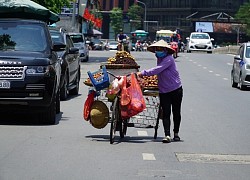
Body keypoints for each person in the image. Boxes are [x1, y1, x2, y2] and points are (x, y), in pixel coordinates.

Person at [137, 40, 183, 143]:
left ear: (165, 50)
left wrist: (142, 73)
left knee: (176, 112)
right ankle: (167, 135)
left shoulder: (169, 59)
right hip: (164, 90)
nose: (158, 51)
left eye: (160, 49)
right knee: (166, 112)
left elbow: (158, 70)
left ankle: (176, 133)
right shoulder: (159, 58)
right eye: (157, 49)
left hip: (176, 89)